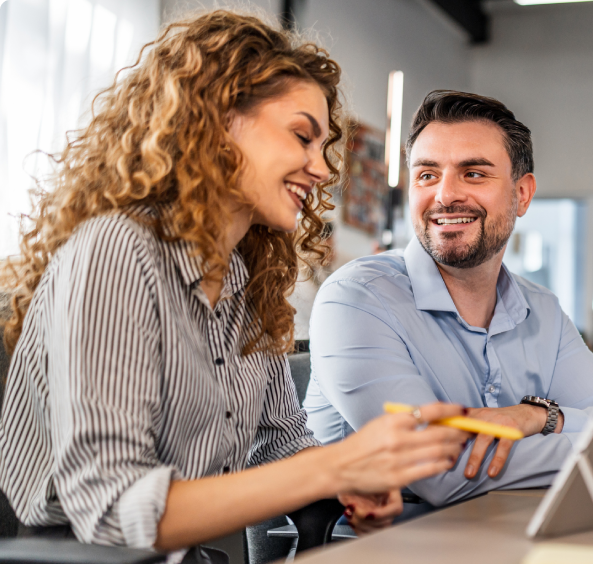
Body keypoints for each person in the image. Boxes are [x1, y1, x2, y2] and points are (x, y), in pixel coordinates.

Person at [0, 12, 469, 562]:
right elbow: (111, 513)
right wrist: (337, 464)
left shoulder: (247, 281)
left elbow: (280, 442)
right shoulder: (115, 251)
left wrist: (350, 481)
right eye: (302, 137)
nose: (321, 169)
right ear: (217, 121)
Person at [304, 90, 593, 509]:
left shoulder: (541, 309)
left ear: (522, 194)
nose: (445, 195)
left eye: (473, 173)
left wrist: (540, 417)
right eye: (427, 175)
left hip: (514, 534)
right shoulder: (356, 300)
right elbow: (439, 471)